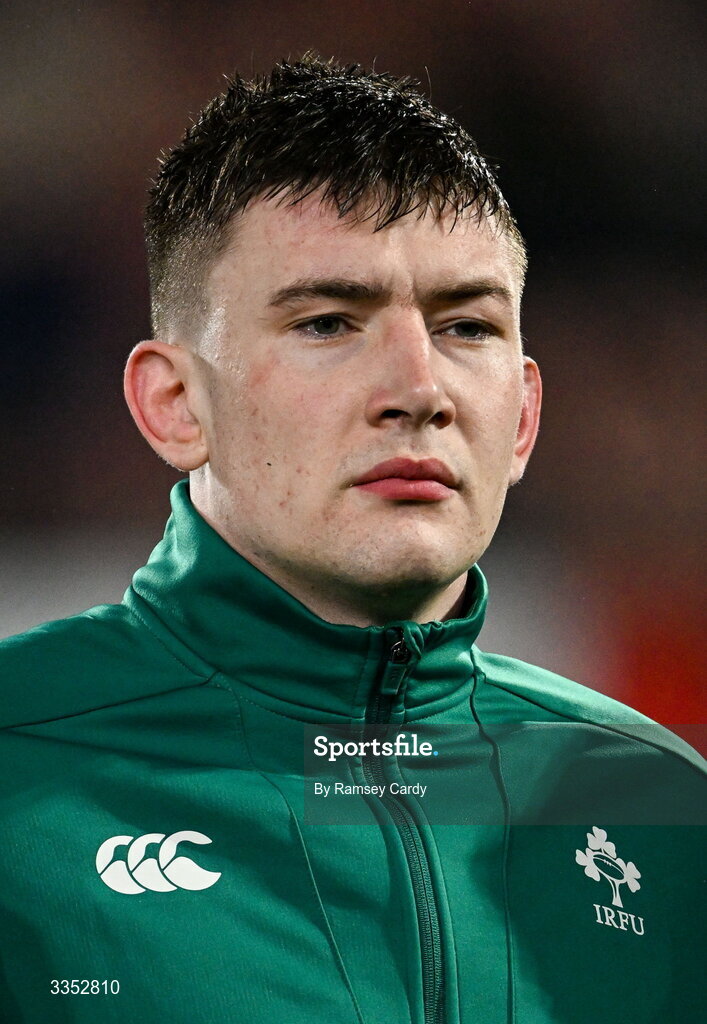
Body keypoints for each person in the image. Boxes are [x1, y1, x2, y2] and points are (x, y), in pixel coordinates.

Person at [0, 55, 703, 1024]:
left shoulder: (652, 799)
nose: (418, 390)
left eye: (465, 326)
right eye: (329, 321)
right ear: (173, 404)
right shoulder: (19, 762)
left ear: (524, 418)